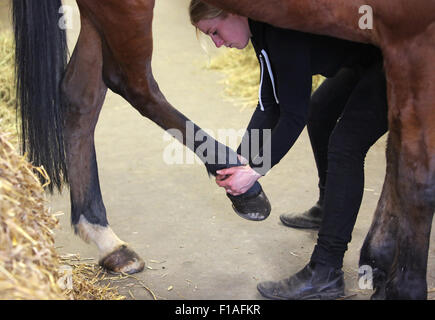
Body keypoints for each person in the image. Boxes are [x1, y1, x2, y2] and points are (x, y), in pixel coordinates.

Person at [189, 0, 388, 300]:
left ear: (235, 11)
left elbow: (293, 113)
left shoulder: (281, 31)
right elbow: (269, 104)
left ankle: (326, 270)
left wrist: (255, 171)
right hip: (362, 60)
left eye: (215, 31)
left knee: (346, 145)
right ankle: (327, 206)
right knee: (321, 113)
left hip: (391, 62)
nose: (217, 43)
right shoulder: (262, 30)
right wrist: (242, 158)